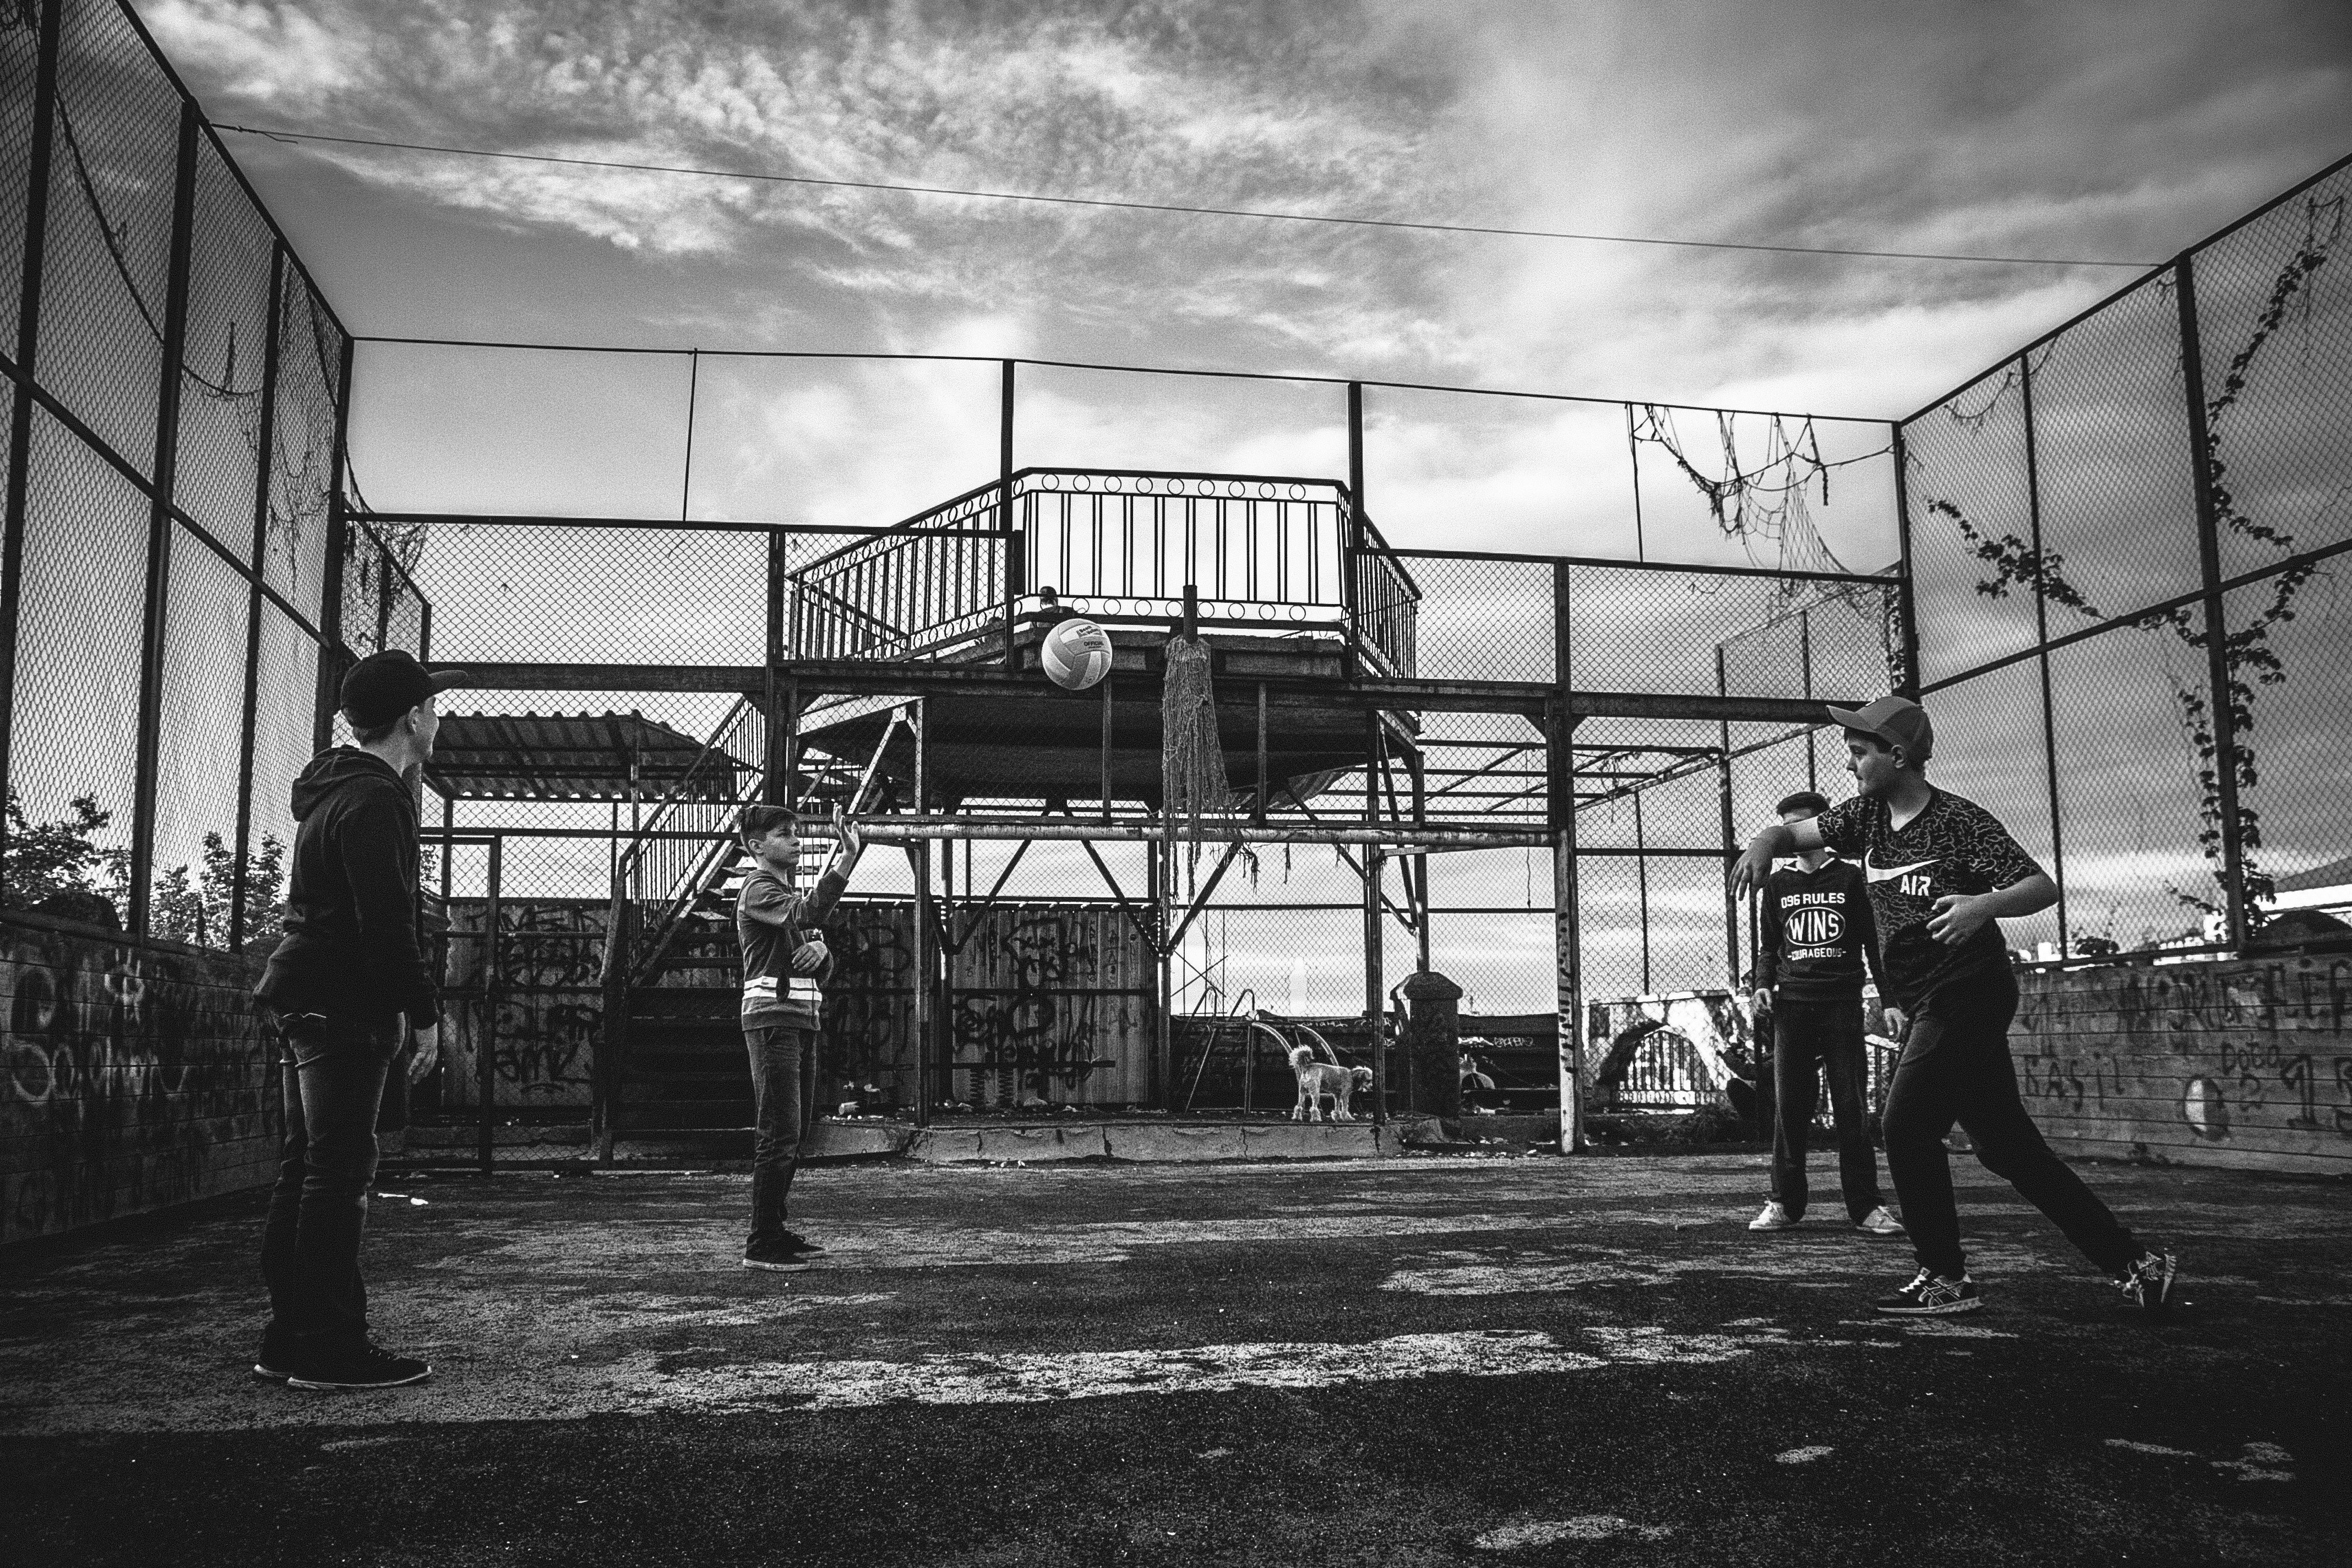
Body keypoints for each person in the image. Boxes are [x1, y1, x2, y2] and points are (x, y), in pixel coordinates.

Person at [1732, 695, 2177, 1318]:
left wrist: (1980, 906)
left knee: (1906, 1124)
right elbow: (1787, 833)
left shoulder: (1959, 822)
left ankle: (1945, 1275)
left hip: (1970, 988)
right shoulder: (1864, 819)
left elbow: (2039, 885)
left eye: (1861, 753)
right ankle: (2136, 1265)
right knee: (2007, 1148)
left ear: (1899, 754)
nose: (1852, 763)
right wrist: (1762, 843)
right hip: (1929, 1001)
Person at [252, 649, 466, 1389]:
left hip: (302, 991)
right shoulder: (377, 801)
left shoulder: (337, 791)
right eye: (432, 709)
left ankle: (291, 1336)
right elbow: (387, 925)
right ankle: (326, 1346)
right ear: (411, 718)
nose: (439, 719)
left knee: (307, 1169)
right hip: (341, 1000)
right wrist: (426, 1013)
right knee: (337, 1175)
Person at [1748, 789, 1903, 1238]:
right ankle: (1783, 1203)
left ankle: (1866, 1207)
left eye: (1802, 827)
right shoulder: (1777, 885)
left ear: (1822, 826)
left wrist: (1890, 999)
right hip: (1792, 1006)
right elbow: (1768, 945)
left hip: (1841, 1003)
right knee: (1789, 1107)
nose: (1794, 837)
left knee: (1851, 1106)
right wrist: (1762, 985)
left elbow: (1874, 943)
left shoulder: (1852, 879)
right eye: (1787, 828)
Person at [736, 801, 865, 1272]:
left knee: (796, 1132)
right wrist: (847, 859)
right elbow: (810, 910)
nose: (796, 840)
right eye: (785, 834)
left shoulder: (783, 901)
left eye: (796, 832)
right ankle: (761, 1244)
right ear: (757, 846)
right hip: (773, 1023)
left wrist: (822, 950)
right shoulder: (759, 889)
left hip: (799, 1021)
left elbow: (813, 966)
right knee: (778, 1134)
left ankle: (774, 1230)